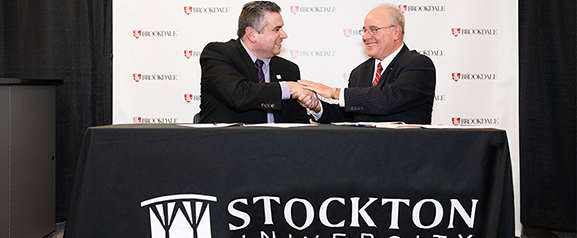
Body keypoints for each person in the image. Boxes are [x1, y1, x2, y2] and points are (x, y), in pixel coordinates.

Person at [298, 4, 436, 124]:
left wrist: (334, 92)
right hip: (364, 151)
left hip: (403, 152)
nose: (365, 37)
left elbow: (387, 99)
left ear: (396, 32)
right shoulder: (359, 72)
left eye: (374, 29)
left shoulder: (418, 64)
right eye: (364, 30)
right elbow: (349, 118)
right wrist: (317, 107)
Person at [199, 1, 311, 123]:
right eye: (277, 29)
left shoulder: (289, 69)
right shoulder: (218, 54)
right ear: (252, 34)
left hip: (279, 141)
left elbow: (299, 121)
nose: (284, 35)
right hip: (230, 140)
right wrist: (287, 88)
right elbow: (239, 95)